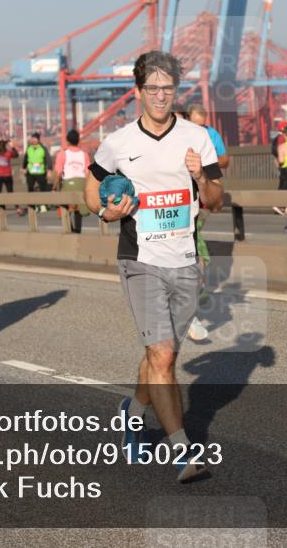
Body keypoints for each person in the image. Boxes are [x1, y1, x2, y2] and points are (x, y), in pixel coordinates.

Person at [84, 50, 223, 483]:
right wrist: (106, 213)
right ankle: (182, 451)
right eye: (152, 88)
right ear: (139, 91)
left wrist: (201, 179)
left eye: (168, 88)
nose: (161, 96)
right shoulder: (119, 142)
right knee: (161, 355)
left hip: (184, 260)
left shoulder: (197, 137)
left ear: (175, 90)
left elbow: (216, 201)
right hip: (139, 259)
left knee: (162, 354)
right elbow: (92, 193)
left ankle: (135, 411)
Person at [185, 104, 230, 340]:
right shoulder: (177, 135)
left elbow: (224, 160)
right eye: (195, 126)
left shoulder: (210, 135)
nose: (199, 131)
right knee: (195, 256)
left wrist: (204, 164)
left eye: (202, 126)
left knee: (198, 258)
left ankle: (186, 309)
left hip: (202, 197)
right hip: (179, 206)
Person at [52, 129, 91, 233]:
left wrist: (54, 187)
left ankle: (69, 229)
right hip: (82, 183)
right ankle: (77, 230)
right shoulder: (84, 154)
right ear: (78, 140)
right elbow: (88, 173)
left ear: (67, 140)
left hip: (68, 184)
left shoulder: (62, 154)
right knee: (78, 209)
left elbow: (58, 173)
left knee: (65, 207)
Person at [23, 132, 50, 213]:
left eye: (35, 138)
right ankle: (32, 206)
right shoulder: (29, 148)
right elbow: (25, 158)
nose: (33, 140)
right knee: (30, 188)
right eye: (32, 138)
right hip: (30, 172)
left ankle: (43, 205)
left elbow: (48, 159)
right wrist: (23, 168)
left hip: (41, 171)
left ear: (38, 139)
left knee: (42, 189)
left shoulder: (43, 148)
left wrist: (49, 169)